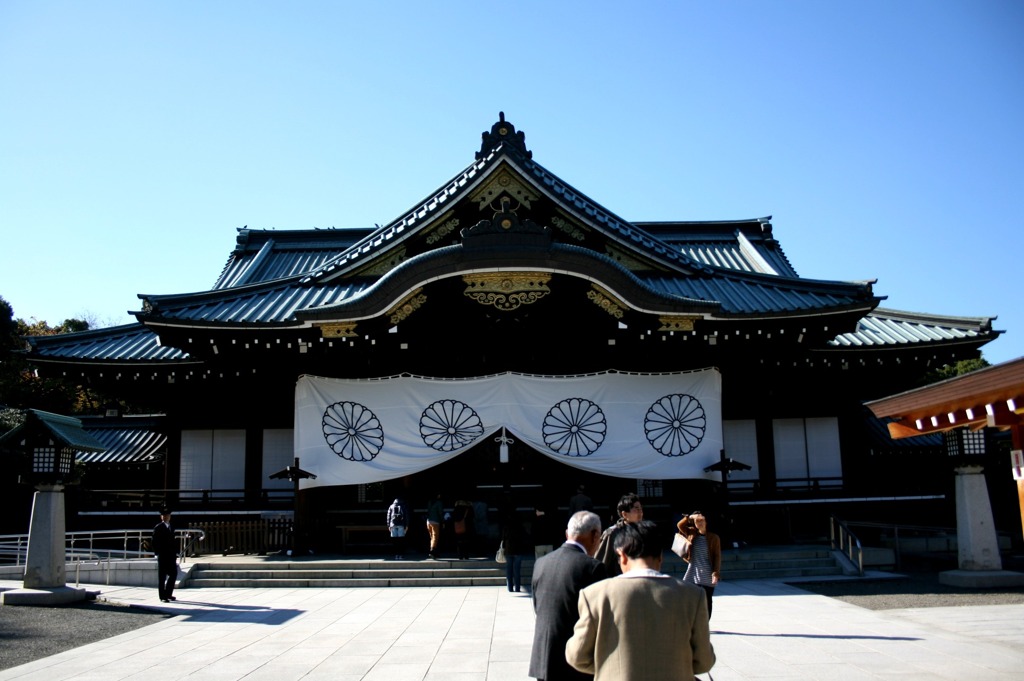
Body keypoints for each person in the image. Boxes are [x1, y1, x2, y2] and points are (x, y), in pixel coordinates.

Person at [565, 520, 715, 681]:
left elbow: (577, 656)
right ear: (661, 557)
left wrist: (610, 667)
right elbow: (704, 662)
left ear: (621, 556)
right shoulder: (692, 595)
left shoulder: (595, 595)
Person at [529, 511, 607, 681]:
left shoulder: (542, 563)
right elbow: (599, 618)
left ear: (567, 534)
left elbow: (537, 606)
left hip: (543, 658)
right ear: (595, 535)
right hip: (573, 662)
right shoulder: (593, 568)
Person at [676, 510, 722, 619]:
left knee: (707, 601)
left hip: (707, 574)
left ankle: (705, 622)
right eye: (697, 521)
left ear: (706, 522)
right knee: (691, 599)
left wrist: (715, 573)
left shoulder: (714, 538)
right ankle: (693, 621)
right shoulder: (691, 533)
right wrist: (689, 517)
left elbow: (717, 556)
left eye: (702, 520)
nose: (699, 523)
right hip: (693, 573)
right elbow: (679, 525)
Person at [593, 493, 643, 576]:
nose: (640, 512)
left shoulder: (643, 532)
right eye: (636, 509)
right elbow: (601, 562)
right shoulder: (612, 533)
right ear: (624, 514)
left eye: (641, 509)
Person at [502, 509, 532, 592]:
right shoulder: (520, 527)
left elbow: (503, 539)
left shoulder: (506, 527)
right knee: (517, 570)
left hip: (508, 550)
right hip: (518, 550)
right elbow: (525, 536)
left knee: (509, 570)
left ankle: (510, 587)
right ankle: (517, 587)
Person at [152, 506, 178, 603]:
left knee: (173, 574)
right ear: (161, 517)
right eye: (164, 515)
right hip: (163, 555)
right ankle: (162, 596)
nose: (166, 517)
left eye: (167, 515)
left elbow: (174, 541)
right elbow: (154, 541)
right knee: (162, 577)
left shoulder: (171, 527)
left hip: (171, 555)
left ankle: (168, 593)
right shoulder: (158, 527)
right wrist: (156, 553)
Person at [426, 493, 444, 559]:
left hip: (428, 521)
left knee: (432, 537)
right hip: (435, 521)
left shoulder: (430, 502)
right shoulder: (439, 503)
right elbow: (440, 513)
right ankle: (432, 551)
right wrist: (443, 521)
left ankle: (434, 551)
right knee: (435, 537)